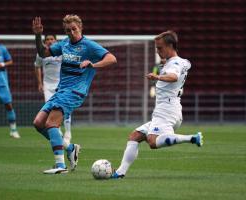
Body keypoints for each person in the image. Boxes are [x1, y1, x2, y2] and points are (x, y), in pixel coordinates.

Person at [111, 30, 203, 179]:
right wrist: (164, 66)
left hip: (167, 109)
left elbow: (173, 76)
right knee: (135, 136)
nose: (157, 51)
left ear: (170, 46)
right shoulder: (180, 62)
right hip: (168, 108)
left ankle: (192, 138)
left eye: (160, 48)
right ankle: (119, 173)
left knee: (152, 142)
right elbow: (186, 64)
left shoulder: (174, 63)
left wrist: (157, 76)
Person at [32, 15, 117, 174]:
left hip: (75, 91)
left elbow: (112, 58)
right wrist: (37, 35)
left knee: (51, 124)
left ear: (81, 28)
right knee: (38, 123)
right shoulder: (64, 43)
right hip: (61, 90)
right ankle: (70, 148)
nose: (71, 33)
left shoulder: (89, 45)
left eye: (74, 29)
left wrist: (93, 64)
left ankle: (60, 166)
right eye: (68, 30)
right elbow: (43, 53)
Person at [34, 34, 72, 147]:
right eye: (47, 39)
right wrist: (40, 83)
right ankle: (57, 130)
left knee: (64, 108)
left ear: (56, 41)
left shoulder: (61, 52)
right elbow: (37, 67)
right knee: (51, 109)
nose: (49, 41)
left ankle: (68, 132)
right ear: (44, 42)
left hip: (61, 85)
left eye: (52, 39)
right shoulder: (41, 54)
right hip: (48, 85)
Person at [0, 30, 20, 139]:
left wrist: (2, 64)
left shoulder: (1, 48)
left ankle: (13, 130)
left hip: (1, 79)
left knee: (8, 104)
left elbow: (10, 61)